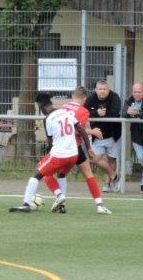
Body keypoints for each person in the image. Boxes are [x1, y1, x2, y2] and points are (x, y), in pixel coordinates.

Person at [9, 92, 96, 212]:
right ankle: (61, 205)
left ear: (40, 106)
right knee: (61, 175)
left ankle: (27, 204)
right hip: (74, 154)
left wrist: (51, 154)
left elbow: (50, 142)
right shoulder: (66, 112)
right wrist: (89, 147)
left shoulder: (48, 119)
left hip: (59, 154)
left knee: (37, 174)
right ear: (50, 102)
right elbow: (81, 130)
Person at [38, 86, 112, 214]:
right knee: (88, 174)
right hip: (75, 147)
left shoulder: (63, 107)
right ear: (85, 98)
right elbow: (78, 130)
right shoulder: (83, 111)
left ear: (73, 96)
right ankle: (99, 205)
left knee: (53, 173)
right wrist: (92, 132)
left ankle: (61, 202)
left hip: (61, 148)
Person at [84, 79, 121, 190]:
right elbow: (84, 113)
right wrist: (96, 113)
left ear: (108, 89)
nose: (102, 91)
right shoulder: (90, 99)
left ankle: (108, 184)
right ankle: (114, 175)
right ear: (96, 90)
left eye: (105, 89)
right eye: (100, 89)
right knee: (95, 158)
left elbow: (115, 113)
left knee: (112, 160)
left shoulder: (115, 97)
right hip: (97, 136)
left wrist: (101, 115)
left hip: (113, 135)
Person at [123, 82, 143, 193]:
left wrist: (136, 112)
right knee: (142, 158)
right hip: (136, 136)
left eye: (139, 92)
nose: (136, 94)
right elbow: (122, 113)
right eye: (135, 92)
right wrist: (127, 113)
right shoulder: (128, 101)